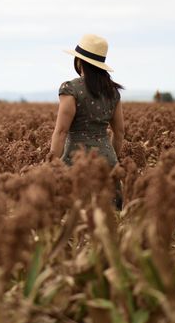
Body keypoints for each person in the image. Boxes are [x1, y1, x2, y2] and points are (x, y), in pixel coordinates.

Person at [49, 34, 124, 210]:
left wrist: (51, 165)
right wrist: (113, 158)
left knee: (75, 220)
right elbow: (119, 132)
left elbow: (61, 132)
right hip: (107, 160)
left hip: (76, 160)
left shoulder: (70, 89)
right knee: (108, 220)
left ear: (79, 62)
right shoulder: (113, 91)